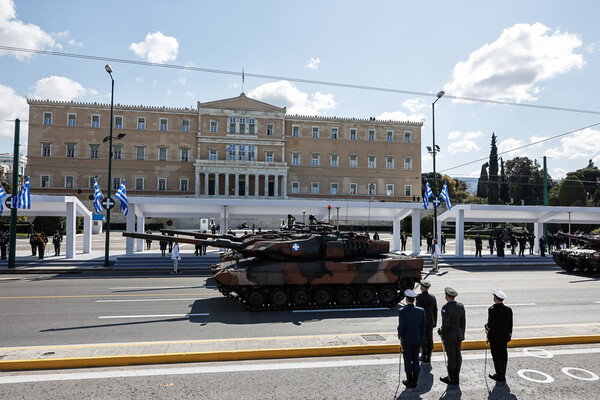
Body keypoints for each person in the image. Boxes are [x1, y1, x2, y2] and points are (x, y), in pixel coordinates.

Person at [397, 289, 426, 388]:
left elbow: (402, 327)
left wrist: (400, 335)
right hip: (417, 339)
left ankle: (409, 380)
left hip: (407, 340)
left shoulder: (402, 311)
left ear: (406, 300)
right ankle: (415, 380)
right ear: (414, 300)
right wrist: (421, 338)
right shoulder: (421, 311)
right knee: (416, 360)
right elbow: (423, 327)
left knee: (408, 360)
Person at [438, 287, 466, 385]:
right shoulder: (460, 306)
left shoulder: (446, 308)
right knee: (458, 355)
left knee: (451, 356)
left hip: (450, 335)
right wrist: (463, 334)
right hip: (458, 334)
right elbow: (463, 322)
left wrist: (441, 332)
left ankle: (451, 377)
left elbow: (445, 324)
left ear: (447, 296)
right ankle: (456, 376)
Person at [485, 289, 513, 382]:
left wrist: (486, 327)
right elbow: (510, 324)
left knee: (496, 355)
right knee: (503, 354)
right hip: (504, 336)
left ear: (495, 298)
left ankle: (498, 374)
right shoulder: (508, 310)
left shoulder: (492, 309)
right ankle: (503, 374)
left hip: (495, 337)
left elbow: (490, 324)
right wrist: (509, 335)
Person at [416, 279, 437, 363]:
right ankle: (429, 356)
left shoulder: (419, 297)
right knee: (430, 339)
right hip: (431, 321)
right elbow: (435, 311)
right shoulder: (432, 297)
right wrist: (434, 322)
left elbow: (418, 311)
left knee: (423, 340)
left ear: (423, 288)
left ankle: (423, 355)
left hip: (422, 322)